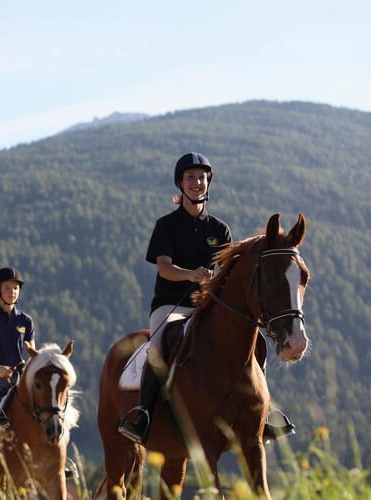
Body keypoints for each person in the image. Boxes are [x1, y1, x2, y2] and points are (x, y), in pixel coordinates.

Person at [118, 152, 293, 444]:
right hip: (170, 305)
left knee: (257, 342)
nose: (197, 182)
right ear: (180, 183)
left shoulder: (219, 229)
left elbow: (228, 273)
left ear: (208, 182)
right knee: (160, 344)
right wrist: (190, 275)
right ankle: (143, 413)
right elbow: (163, 267)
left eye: (202, 177)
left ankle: (264, 412)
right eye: (191, 177)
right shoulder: (167, 226)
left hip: (208, 305)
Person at [0, 267, 35, 401]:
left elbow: (32, 353)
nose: (12, 292)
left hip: (19, 380)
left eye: (16, 288)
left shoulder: (26, 320)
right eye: (7, 287)